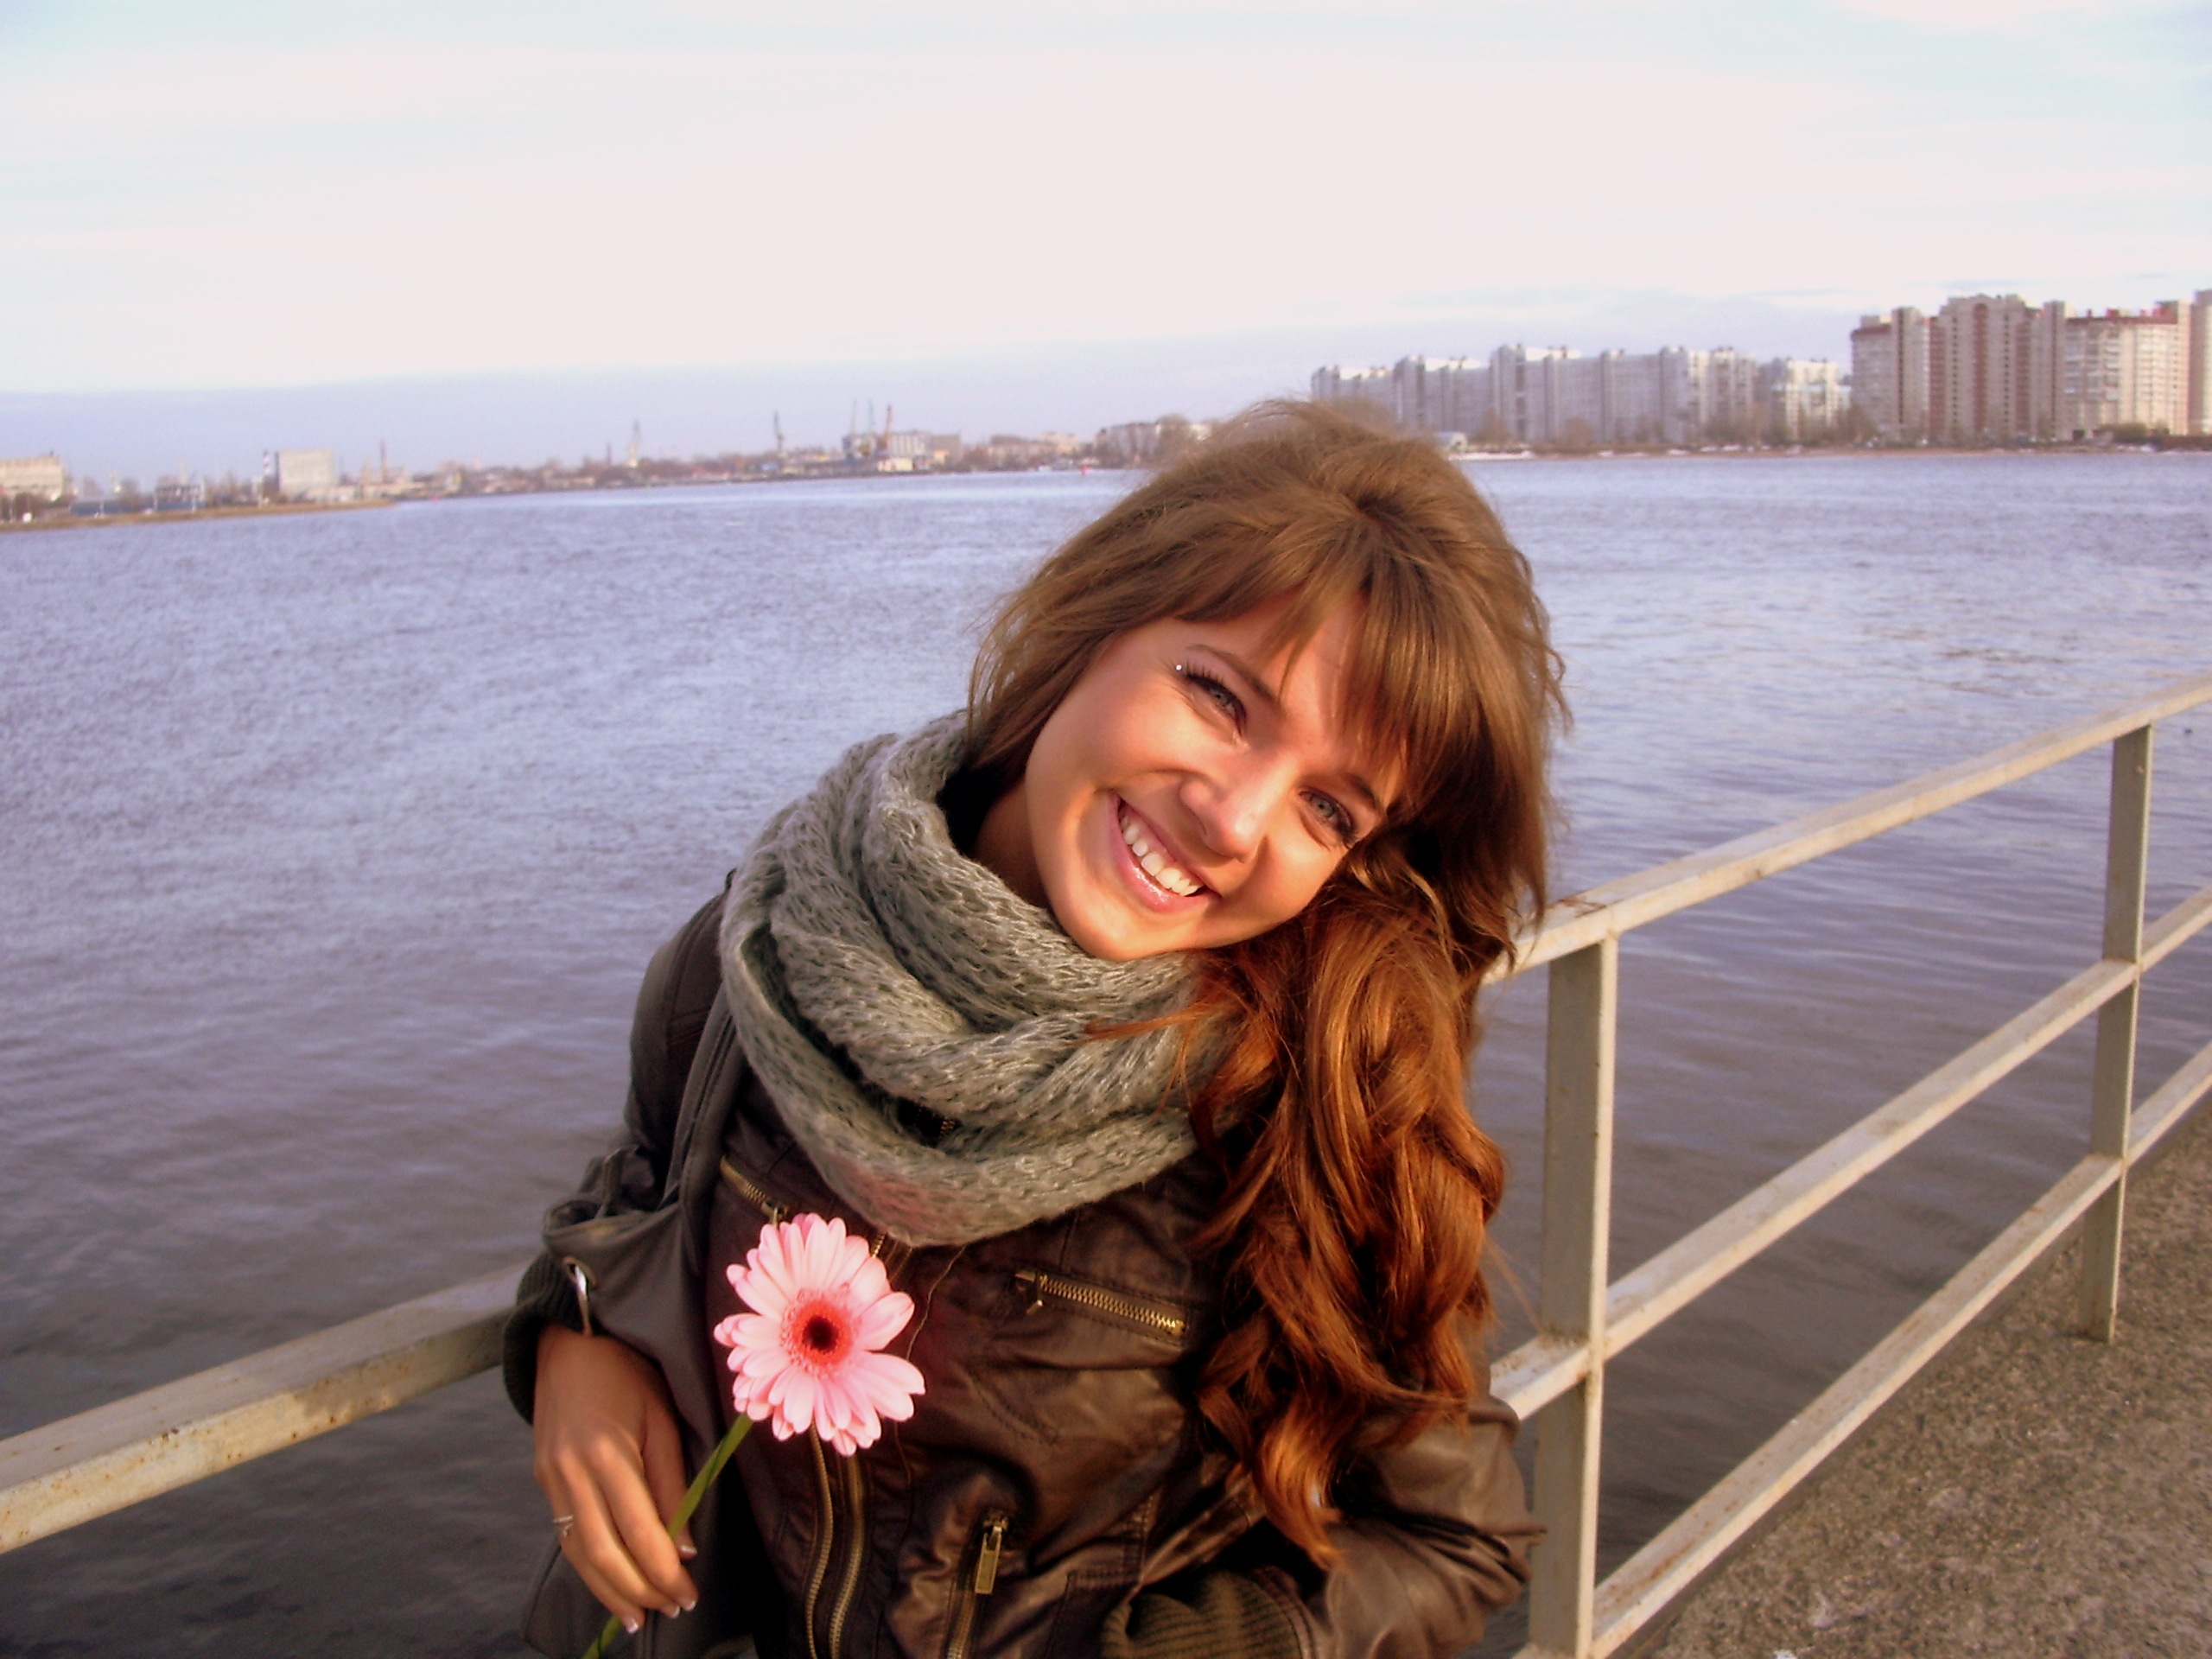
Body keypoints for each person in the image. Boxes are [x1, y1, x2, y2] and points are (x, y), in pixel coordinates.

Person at [504, 400, 1562, 1659]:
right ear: (1093, 625)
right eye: (1221, 698)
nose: (1235, 822)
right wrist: (573, 1330)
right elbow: (640, 1185)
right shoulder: (768, 952)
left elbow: (1458, 1536)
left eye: (1329, 809)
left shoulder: (1302, 1112)